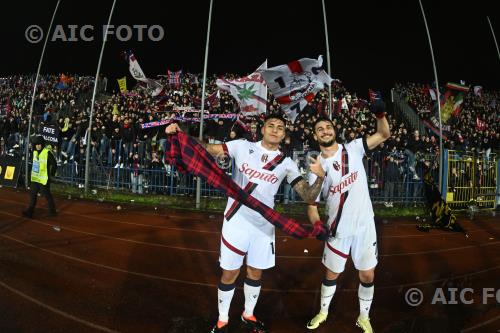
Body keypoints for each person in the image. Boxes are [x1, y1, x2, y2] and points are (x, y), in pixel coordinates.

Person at [166, 114, 326, 333]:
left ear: (284, 134)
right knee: (229, 273)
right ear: (262, 129)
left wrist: (319, 177)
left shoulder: (286, 163)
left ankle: (248, 314)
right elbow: (208, 149)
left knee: (255, 273)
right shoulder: (241, 146)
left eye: (280, 127)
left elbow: (308, 196)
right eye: (271, 125)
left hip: (263, 227)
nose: (275, 129)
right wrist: (181, 135)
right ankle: (222, 320)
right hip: (236, 221)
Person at [306, 99, 390, 333]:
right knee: (331, 273)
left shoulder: (353, 148)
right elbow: (311, 205)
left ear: (334, 131)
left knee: (367, 274)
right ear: (315, 136)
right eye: (320, 129)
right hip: (337, 230)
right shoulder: (316, 167)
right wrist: (317, 224)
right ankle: (323, 312)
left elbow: (384, 134)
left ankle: (364, 317)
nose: (325, 131)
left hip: (364, 227)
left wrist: (380, 113)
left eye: (328, 127)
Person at [22, 135, 57, 218]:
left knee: (47, 195)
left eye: (39, 144)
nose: (38, 146)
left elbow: (54, 164)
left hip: (44, 179)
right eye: (36, 144)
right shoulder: (34, 152)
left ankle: (52, 211)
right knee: (33, 194)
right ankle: (30, 211)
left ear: (42, 144)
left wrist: (52, 174)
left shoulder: (47, 153)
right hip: (35, 178)